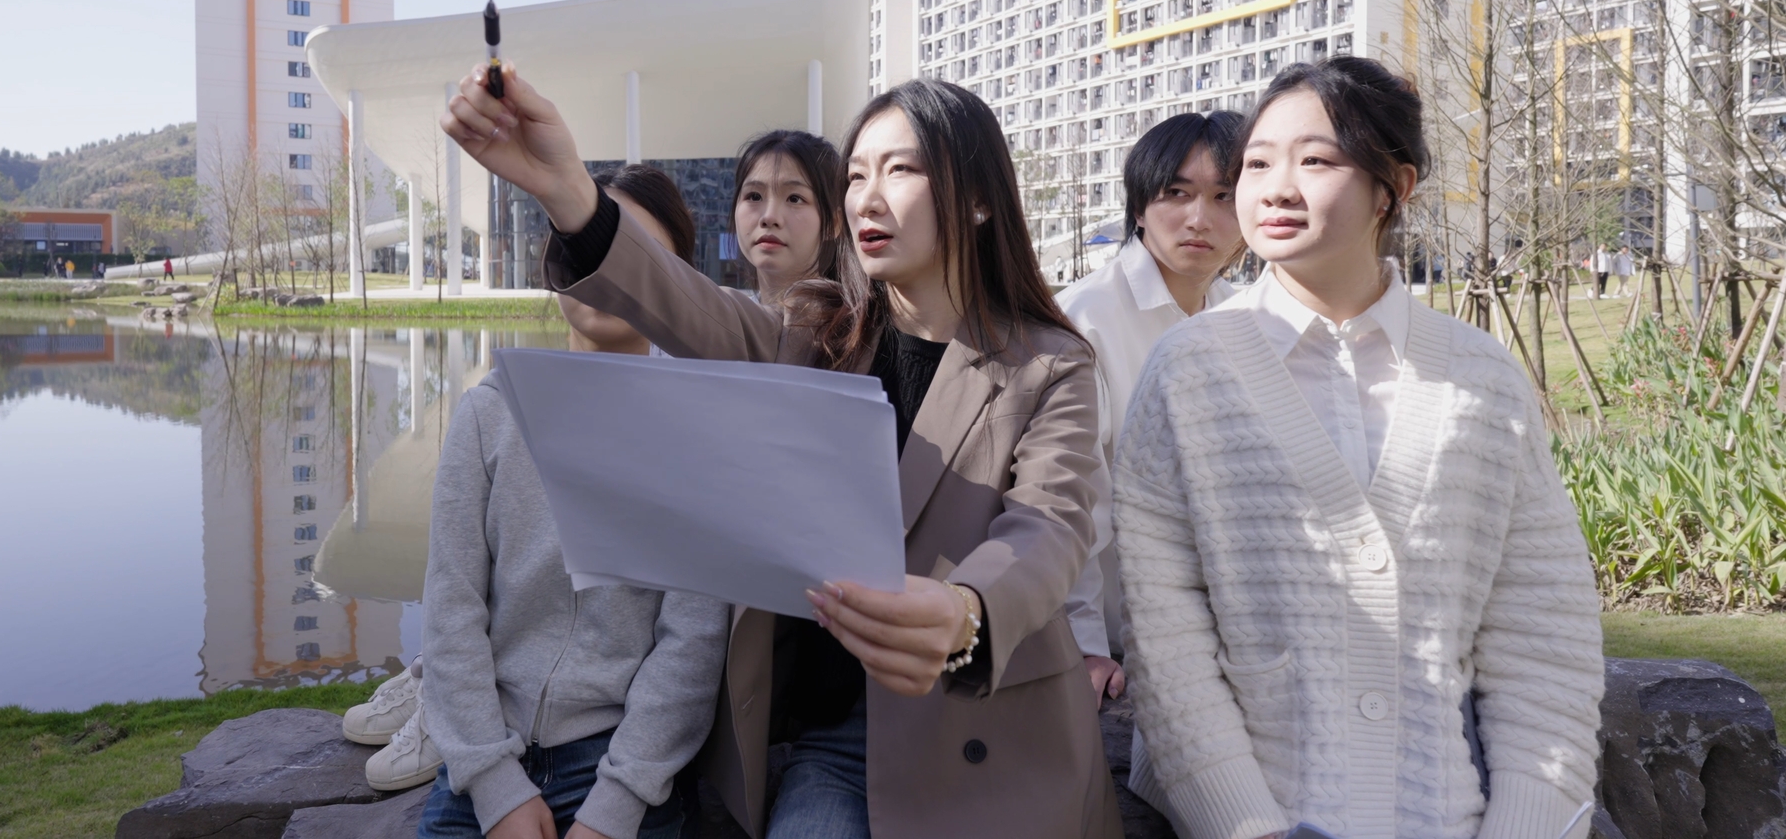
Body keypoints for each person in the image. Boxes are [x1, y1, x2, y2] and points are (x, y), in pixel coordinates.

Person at [444, 68, 1119, 839]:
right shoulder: (815, 335)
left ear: (977, 198)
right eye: (856, 175)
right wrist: (569, 194)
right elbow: (683, 302)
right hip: (836, 742)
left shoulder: (1049, 362)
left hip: (992, 733)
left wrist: (967, 613)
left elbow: (1048, 526)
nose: (865, 197)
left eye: (900, 170)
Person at [1112, 56, 1605, 839]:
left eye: (1316, 160)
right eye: (1258, 163)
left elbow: (1544, 633)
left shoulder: (1483, 377)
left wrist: (1530, 824)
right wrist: (1242, 823)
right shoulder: (1190, 371)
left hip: (1452, 815)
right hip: (1251, 818)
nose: (1275, 187)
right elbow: (1161, 630)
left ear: (1393, 188)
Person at [407, 162, 730, 839]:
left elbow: (692, 642)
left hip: (618, 763)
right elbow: (451, 608)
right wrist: (494, 786)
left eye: (633, 251)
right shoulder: (490, 413)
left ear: (676, 277)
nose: (603, 269)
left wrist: (616, 804)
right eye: (583, 245)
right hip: (490, 756)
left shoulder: (700, 432)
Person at [1054, 111, 1246, 716]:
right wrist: (1083, 645)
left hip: (1220, 645)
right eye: (1176, 194)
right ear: (1139, 208)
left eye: (1224, 197)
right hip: (1114, 648)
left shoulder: (1250, 321)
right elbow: (1075, 500)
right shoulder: (1083, 322)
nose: (1199, 218)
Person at [733, 129, 848, 305]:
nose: (769, 217)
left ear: (834, 223)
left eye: (795, 199)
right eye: (754, 196)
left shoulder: (857, 327)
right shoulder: (725, 325)